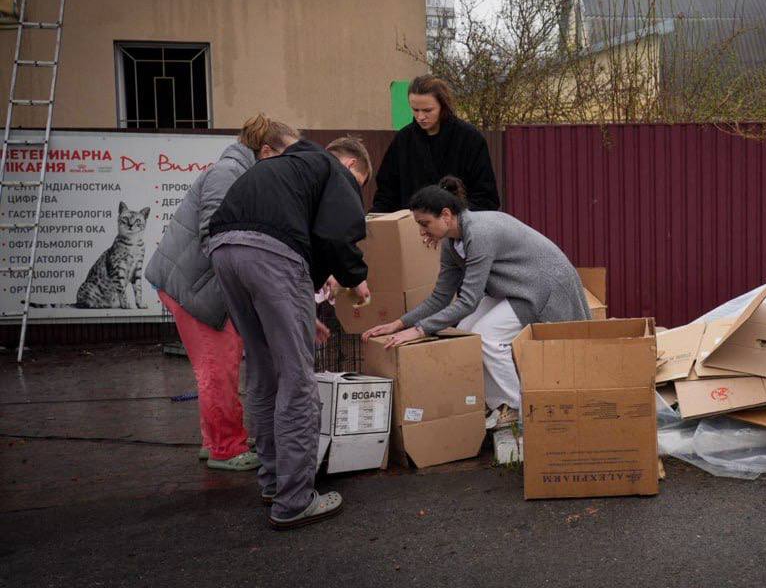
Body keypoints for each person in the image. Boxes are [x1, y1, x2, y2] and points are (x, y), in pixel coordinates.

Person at [208, 134, 372, 531]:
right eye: (360, 185)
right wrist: (356, 279)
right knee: (298, 382)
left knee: (264, 373)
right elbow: (335, 237)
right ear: (351, 166)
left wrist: (304, 311)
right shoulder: (335, 170)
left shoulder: (284, 167)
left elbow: (302, 241)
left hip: (224, 249)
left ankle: (273, 482)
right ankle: (295, 499)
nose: (354, 191)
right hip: (272, 256)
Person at [362, 176, 589, 429]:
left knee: (486, 335)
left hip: (542, 288)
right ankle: (498, 403)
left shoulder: (480, 233)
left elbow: (468, 301)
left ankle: (515, 407)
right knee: (466, 333)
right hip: (514, 287)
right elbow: (441, 297)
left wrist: (419, 330)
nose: (422, 232)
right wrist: (399, 324)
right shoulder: (451, 242)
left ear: (446, 215)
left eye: (425, 224)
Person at [144, 115, 299, 471]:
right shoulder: (230, 172)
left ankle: (213, 440)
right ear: (265, 150)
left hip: (198, 284)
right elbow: (214, 232)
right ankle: (226, 449)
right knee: (219, 367)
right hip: (197, 288)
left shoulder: (240, 170)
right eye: (286, 154)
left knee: (218, 365)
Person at [371, 76, 500, 212]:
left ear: (443, 106)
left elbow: (486, 198)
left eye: (427, 110)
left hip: (459, 228)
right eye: (415, 110)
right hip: (411, 228)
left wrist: (456, 219)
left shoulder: (470, 139)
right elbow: (386, 194)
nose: (420, 117)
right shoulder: (403, 140)